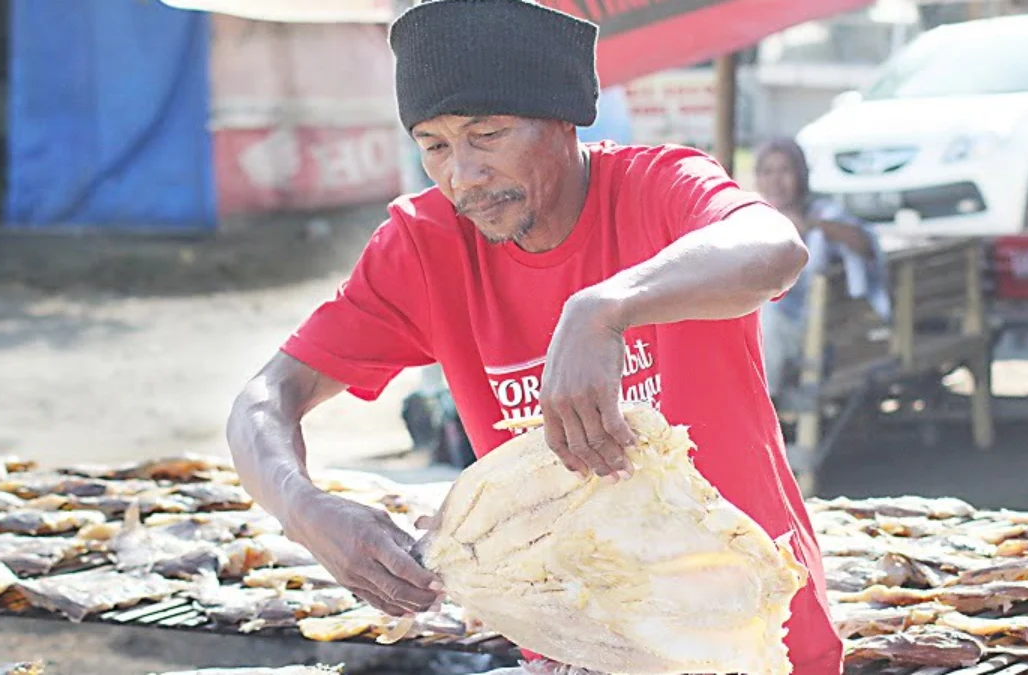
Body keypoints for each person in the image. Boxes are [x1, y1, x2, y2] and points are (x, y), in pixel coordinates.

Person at [225, 2, 841, 673]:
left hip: (757, 638)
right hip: (576, 650)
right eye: (434, 145)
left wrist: (604, 308)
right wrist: (303, 507)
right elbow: (265, 398)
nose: (462, 174)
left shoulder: (659, 188)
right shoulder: (427, 247)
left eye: (487, 134)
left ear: (563, 118)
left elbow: (775, 247)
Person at [755, 137, 891, 399]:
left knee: (765, 317)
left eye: (785, 171)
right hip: (767, 327)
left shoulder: (821, 213)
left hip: (807, 327)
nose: (775, 181)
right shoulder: (752, 216)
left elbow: (865, 244)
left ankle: (763, 400)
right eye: (767, 172)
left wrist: (811, 225)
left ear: (801, 175)